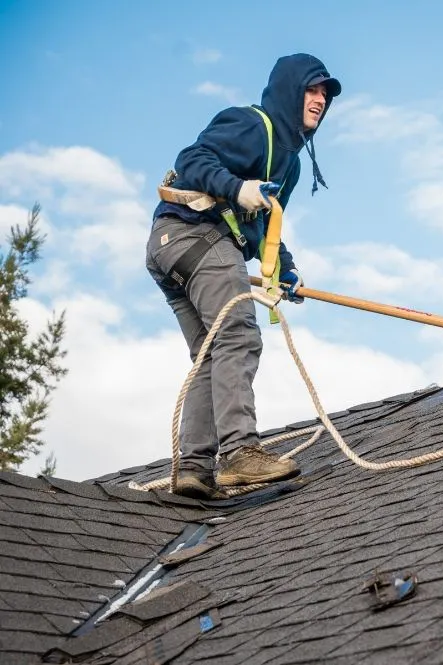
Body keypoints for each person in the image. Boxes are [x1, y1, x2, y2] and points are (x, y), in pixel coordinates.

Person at [145, 53, 341, 500]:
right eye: (312, 90)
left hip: (170, 249)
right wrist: (237, 188)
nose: (320, 101)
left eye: (325, 95)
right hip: (197, 235)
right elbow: (191, 159)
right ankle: (239, 452)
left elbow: (262, 224)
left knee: (212, 357)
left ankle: (194, 468)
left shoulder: (287, 162)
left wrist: (283, 268)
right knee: (238, 337)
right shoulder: (253, 125)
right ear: (290, 91)